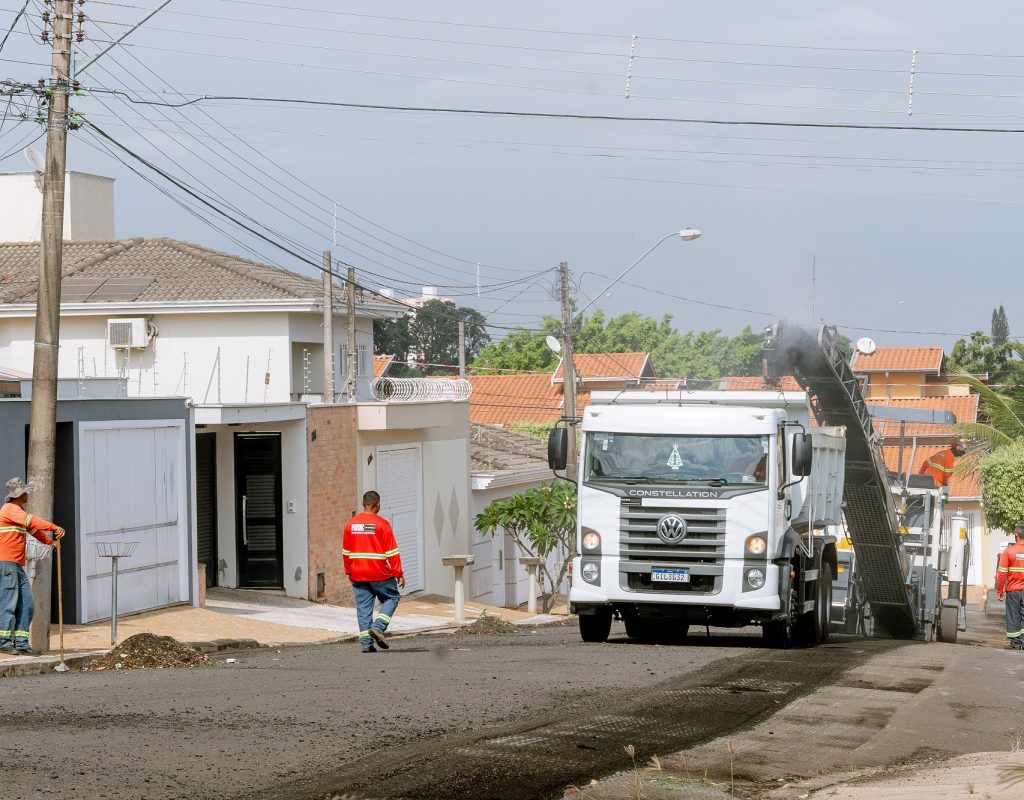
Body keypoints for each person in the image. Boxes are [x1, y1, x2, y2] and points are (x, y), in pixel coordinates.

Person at [0, 477, 65, 657]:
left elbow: (33, 530)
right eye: (25, 492)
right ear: (19, 494)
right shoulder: (10, 509)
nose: (28, 494)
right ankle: (4, 642)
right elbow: (32, 521)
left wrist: (50, 542)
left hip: (17, 565)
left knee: (27, 604)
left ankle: (21, 642)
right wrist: (54, 527)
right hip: (7, 564)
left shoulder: (17, 512)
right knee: (8, 603)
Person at [342, 490, 404, 653]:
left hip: (358, 573)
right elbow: (392, 552)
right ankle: (378, 627)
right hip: (379, 573)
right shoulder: (382, 524)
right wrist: (398, 573)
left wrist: (349, 571)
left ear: (363, 504)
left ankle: (366, 644)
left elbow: (346, 552)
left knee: (363, 607)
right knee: (392, 597)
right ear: (378, 505)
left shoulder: (350, 524)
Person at [997, 524, 1024, 650]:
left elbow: (1002, 573)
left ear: (1016, 535)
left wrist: (1000, 590)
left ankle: (1016, 643)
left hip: (1013, 590)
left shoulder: (1009, 551)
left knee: (1014, 616)